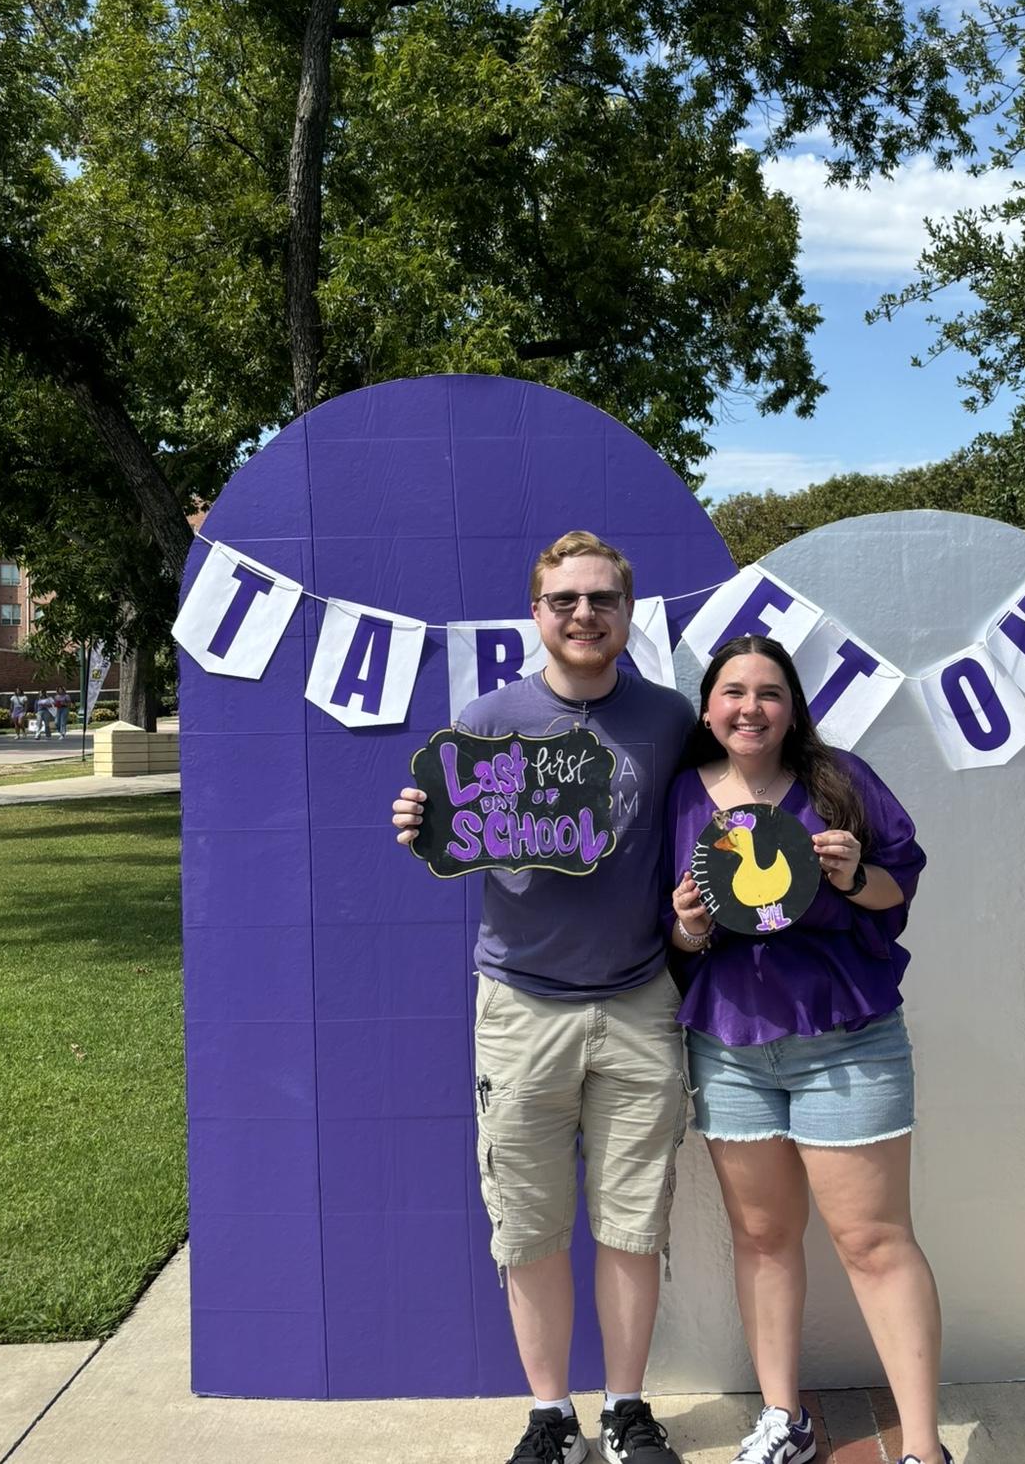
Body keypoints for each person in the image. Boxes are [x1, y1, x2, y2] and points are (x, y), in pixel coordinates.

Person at [391, 531, 695, 1464]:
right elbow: (452, 824)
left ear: (627, 611)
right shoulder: (485, 719)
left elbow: (721, 811)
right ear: (537, 613)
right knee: (526, 1223)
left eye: (602, 598)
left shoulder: (672, 721)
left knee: (633, 1220)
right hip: (520, 1005)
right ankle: (550, 1413)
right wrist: (420, 826)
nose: (583, 614)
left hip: (641, 998)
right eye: (565, 599)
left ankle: (628, 1409)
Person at [666, 634, 948, 1464]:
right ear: (709, 707)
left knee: (874, 1240)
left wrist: (856, 873)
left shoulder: (839, 782)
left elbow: (900, 887)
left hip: (845, 1042)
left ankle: (923, 1448)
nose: (750, 707)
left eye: (770, 693)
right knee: (761, 1239)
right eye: (733, 692)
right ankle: (782, 1421)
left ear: (793, 708)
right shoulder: (682, 795)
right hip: (729, 1048)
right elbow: (668, 934)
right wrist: (685, 926)